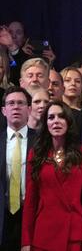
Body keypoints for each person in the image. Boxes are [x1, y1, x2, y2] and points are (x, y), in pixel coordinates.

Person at [22, 101, 82, 250]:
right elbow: (31, 201)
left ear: (69, 122)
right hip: (43, 235)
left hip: (74, 235)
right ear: (46, 124)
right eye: (51, 117)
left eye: (61, 117)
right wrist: (26, 240)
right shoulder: (36, 155)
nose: (56, 121)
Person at [1, 87, 38, 249]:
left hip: (31, 214)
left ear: (29, 109)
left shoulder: (41, 141)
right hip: (3, 215)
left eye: (20, 103)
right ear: (4, 110)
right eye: (11, 103)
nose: (15, 107)